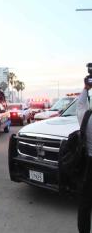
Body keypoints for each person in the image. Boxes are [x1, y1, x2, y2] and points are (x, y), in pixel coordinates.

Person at [77, 67, 92, 233]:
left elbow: (80, 104)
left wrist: (86, 88)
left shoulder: (86, 118)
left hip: (88, 166)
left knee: (85, 204)